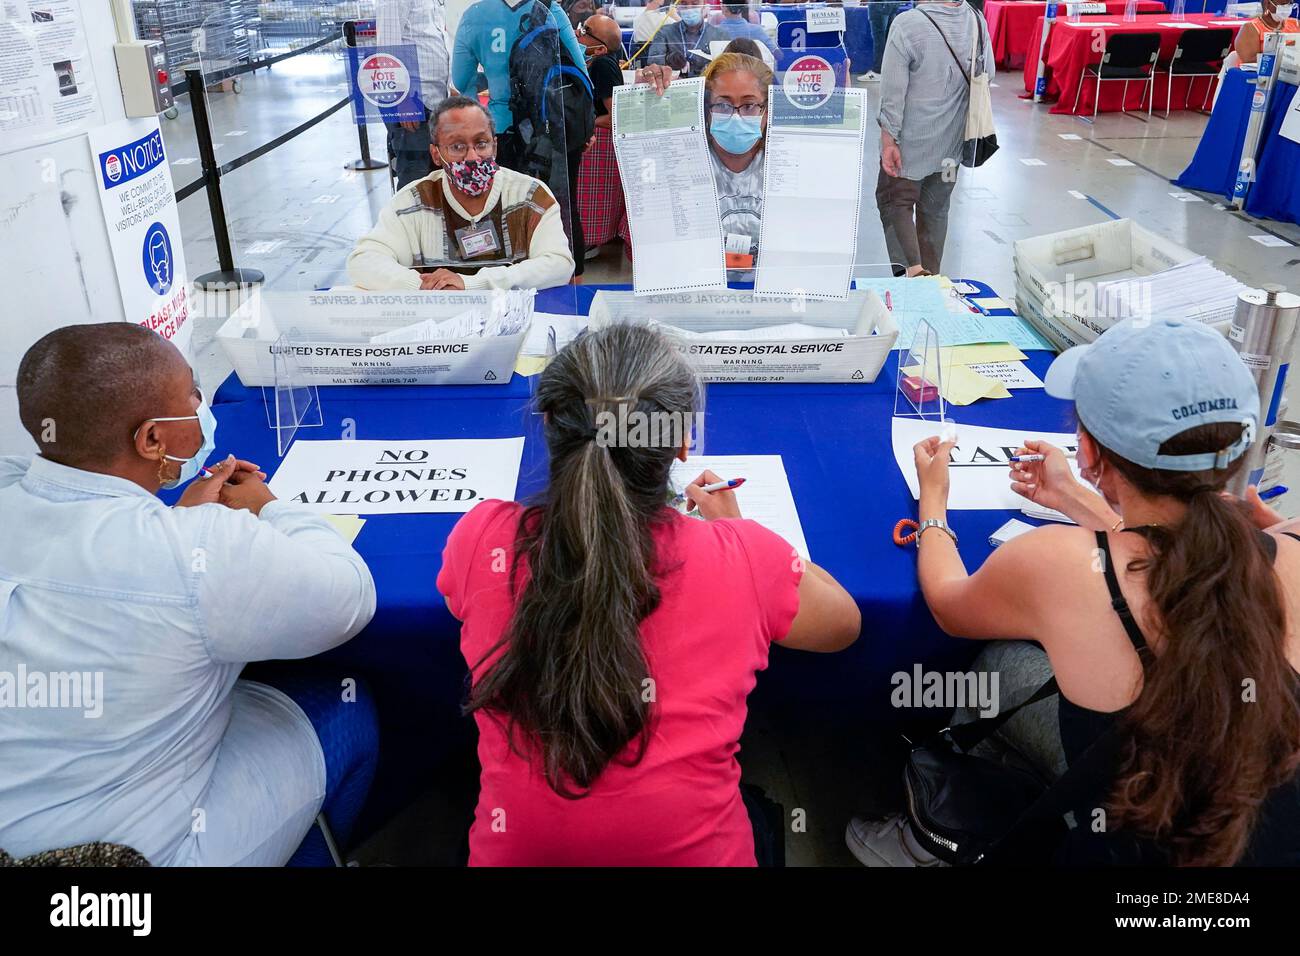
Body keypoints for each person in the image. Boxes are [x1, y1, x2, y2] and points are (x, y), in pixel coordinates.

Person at [853, 318, 1300, 867]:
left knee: (997, 658)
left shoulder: (1057, 562)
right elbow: (1179, 556)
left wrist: (933, 505)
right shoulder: (1289, 544)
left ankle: (952, 819)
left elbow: (948, 603)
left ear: (1088, 452)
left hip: (1126, 839)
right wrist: (1080, 501)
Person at [438, 324, 860, 866]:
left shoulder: (482, 537)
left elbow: (463, 603)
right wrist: (747, 533)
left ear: (549, 425)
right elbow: (843, 624)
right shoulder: (745, 557)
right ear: (682, 441)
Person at [0, 323, 378, 866]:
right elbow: (349, 597)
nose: (202, 403)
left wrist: (175, 516)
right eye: (192, 394)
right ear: (152, 438)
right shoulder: (198, 552)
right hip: (124, 862)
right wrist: (269, 508)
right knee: (344, 702)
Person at [347, 95, 576, 291]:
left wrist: (470, 284)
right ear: (436, 155)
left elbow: (559, 264)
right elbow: (363, 261)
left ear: (494, 146)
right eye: (457, 147)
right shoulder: (412, 203)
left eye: (481, 143)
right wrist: (424, 286)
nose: (473, 157)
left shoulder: (529, 196)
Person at [451, 0, 592, 281]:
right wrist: (582, 128)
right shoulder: (550, 9)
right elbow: (580, 74)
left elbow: (461, 80)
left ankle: (510, 288)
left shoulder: (474, 17)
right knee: (561, 208)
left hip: (501, 133)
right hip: (552, 128)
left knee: (504, 212)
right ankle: (572, 289)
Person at [876, 0, 993, 277]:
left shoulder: (907, 24)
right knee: (936, 210)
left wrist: (888, 140)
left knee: (895, 201)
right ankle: (931, 277)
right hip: (952, 142)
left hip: (910, 142)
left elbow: (893, 92)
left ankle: (911, 273)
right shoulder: (976, 21)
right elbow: (987, 75)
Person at [634, 52, 772, 277]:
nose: (735, 116)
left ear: (766, 109)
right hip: (694, 290)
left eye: (749, 105)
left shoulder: (784, 162)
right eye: (723, 105)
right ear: (706, 109)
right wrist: (644, 98)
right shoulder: (679, 159)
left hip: (772, 297)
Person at [378, 0, 451, 189]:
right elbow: (387, 48)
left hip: (435, 99)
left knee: (435, 174)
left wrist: (448, 85)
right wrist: (402, 99)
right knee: (415, 178)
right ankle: (408, 218)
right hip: (412, 101)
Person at [575, 14, 628, 254]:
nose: (578, 33)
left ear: (600, 49)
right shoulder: (595, 63)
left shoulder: (603, 66)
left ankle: (589, 239)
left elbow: (615, 114)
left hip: (598, 148)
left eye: (586, 30)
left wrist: (587, 122)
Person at [645, 0, 727, 78]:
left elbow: (726, 69)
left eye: (695, 3)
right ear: (677, 7)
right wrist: (668, 61)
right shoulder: (664, 33)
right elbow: (654, 64)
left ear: (704, 4)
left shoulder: (719, 35)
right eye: (683, 3)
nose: (689, 8)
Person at [1234, 0, 1300, 65]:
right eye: (1282, 5)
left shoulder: (1296, 23)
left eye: (1290, 4)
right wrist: (1286, 50)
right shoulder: (1250, 28)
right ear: (1267, 3)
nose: (1287, 8)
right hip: (1256, 73)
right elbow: (1248, 60)